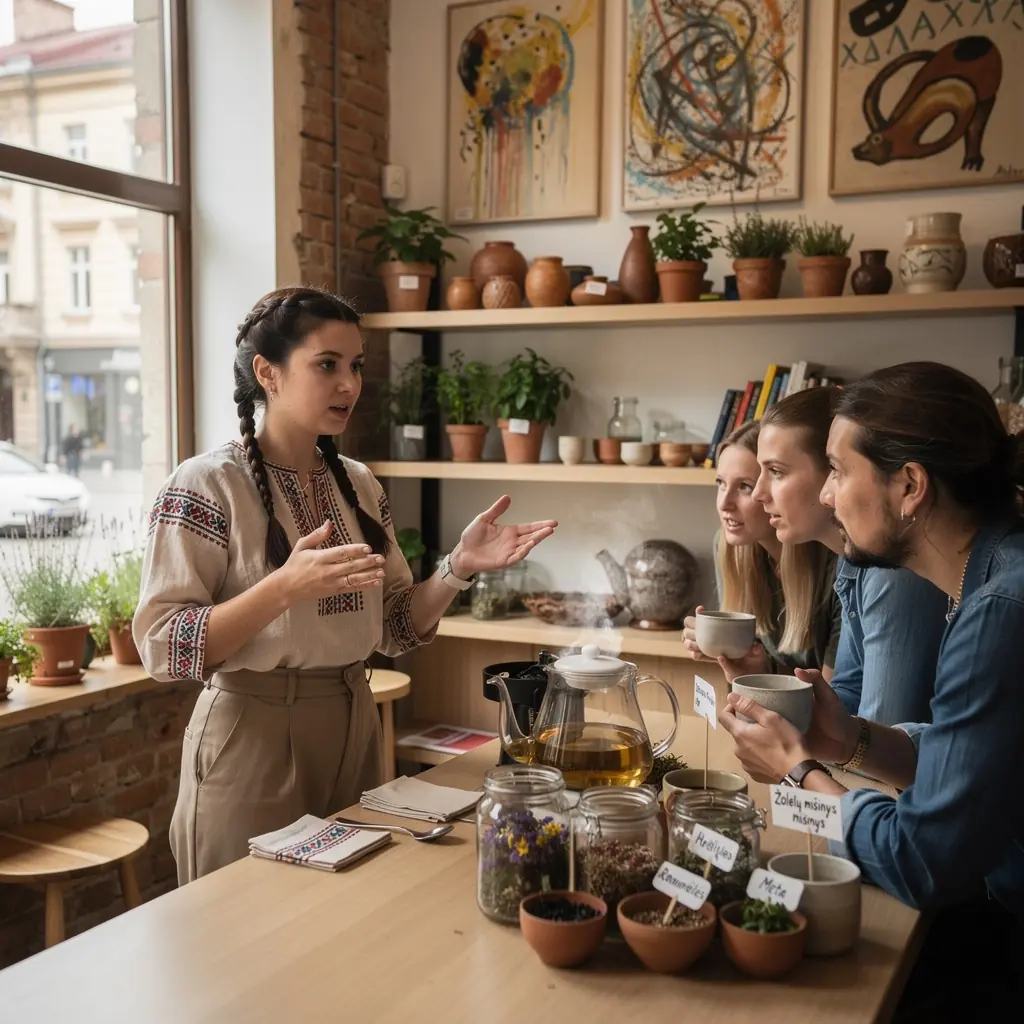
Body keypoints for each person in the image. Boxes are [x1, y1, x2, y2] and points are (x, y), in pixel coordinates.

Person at [133, 287, 557, 883]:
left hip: (356, 724)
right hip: (251, 736)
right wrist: (283, 588)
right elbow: (162, 645)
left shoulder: (358, 485)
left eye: (355, 366)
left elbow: (395, 626)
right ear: (267, 373)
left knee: (345, 919)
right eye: (327, 365)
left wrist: (458, 567)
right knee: (247, 925)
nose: (349, 385)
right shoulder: (205, 484)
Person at [720, 362, 1024, 1010]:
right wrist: (849, 739)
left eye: (837, 470)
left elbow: (921, 861)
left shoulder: (998, 612)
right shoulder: (993, 579)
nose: (828, 497)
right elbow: (975, 763)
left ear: (910, 485)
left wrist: (801, 773)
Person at [752, 387, 945, 726]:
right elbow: (847, 697)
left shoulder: (892, 572)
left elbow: (882, 727)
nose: (758, 493)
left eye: (777, 472)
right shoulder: (852, 560)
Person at [683, 421, 834, 679]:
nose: (725, 503)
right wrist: (731, 655)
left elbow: (835, 698)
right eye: (721, 483)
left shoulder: (835, 566)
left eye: (745, 486)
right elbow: (759, 678)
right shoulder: (730, 548)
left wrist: (765, 674)